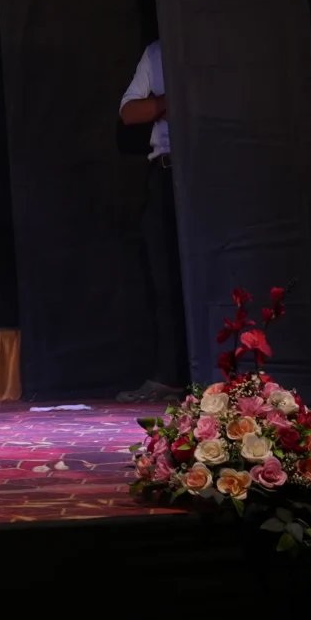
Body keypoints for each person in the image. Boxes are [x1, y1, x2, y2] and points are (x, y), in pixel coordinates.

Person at [117, 39, 190, 405]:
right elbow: (129, 112)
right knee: (164, 279)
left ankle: (224, 375)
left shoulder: (222, 44)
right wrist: (166, 103)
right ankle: (170, 377)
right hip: (165, 172)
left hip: (213, 172)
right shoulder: (157, 53)